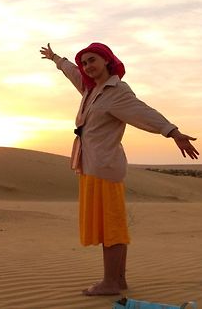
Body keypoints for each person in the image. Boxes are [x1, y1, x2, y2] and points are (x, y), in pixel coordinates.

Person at [40, 42, 198, 296]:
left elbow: (143, 112)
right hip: (91, 165)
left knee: (110, 226)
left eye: (93, 60)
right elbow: (73, 72)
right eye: (85, 62)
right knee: (110, 224)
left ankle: (111, 282)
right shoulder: (90, 90)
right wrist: (56, 59)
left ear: (107, 60)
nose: (87, 66)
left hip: (104, 167)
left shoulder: (117, 91)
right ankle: (118, 280)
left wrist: (172, 132)